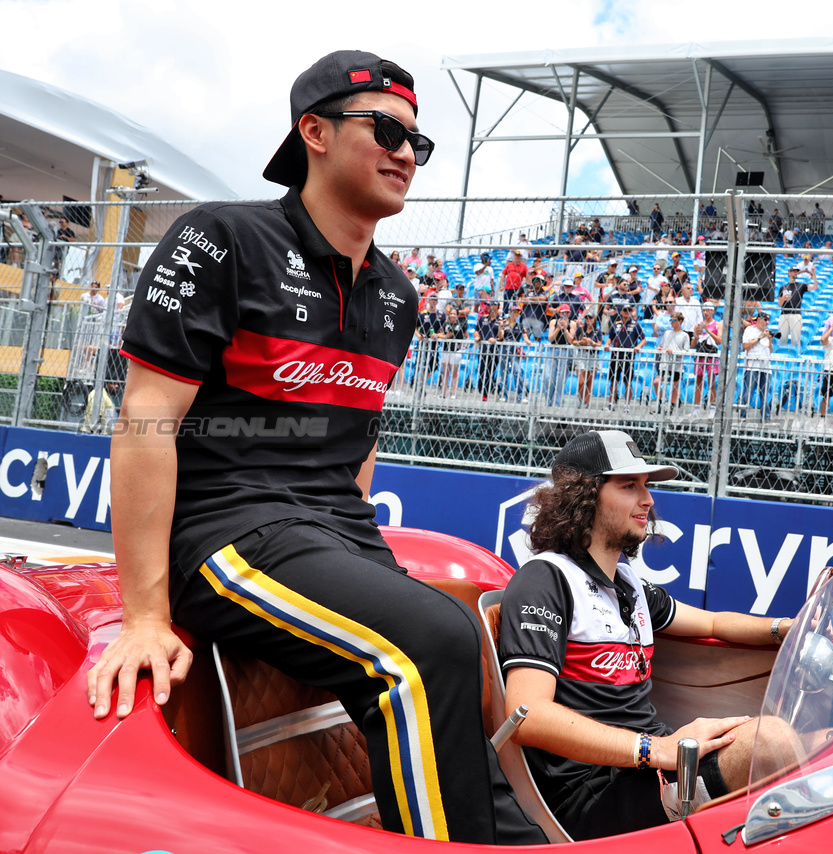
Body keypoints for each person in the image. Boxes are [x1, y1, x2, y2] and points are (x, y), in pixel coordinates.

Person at [85, 50, 544, 845]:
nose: (407, 153)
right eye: (388, 130)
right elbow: (145, 421)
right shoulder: (220, 238)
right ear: (315, 132)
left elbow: (359, 434)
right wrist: (145, 616)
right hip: (226, 529)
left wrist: (354, 547)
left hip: (329, 528)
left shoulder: (397, 294)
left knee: (463, 639)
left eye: (418, 143)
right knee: (428, 641)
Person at [500, 431, 798, 840]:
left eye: (646, 485)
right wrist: (654, 749)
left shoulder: (627, 583)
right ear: (582, 495)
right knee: (772, 742)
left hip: (650, 771)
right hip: (590, 795)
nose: (648, 500)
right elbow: (526, 714)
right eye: (629, 485)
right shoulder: (544, 580)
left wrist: (787, 628)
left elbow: (711, 623)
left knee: (822, 740)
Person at [608, 304, 645, 411]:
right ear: (621, 311)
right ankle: (611, 403)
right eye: (625, 310)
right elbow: (610, 337)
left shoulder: (635, 325)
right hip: (615, 356)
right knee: (614, 381)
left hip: (628, 357)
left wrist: (638, 346)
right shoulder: (616, 324)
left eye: (629, 310)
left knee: (627, 381)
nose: (627, 312)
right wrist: (607, 344)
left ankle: (627, 405)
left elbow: (643, 339)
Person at [741, 313, 773, 421]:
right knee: (748, 392)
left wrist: (769, 340)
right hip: (753, 366)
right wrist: (760, 337)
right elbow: (745, 345)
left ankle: (766, 417)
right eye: (765, 319)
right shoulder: (750, 330)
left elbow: (770, 351)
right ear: (759, 319)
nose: (767, 322)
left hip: (766, 367)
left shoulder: (767, 332)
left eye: (768, 320)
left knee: (764, 395)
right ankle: (743, 415)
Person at [655, 313, 689, 412]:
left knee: (675, 385)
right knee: (656, 382)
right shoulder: (667, 333)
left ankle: (672, 405)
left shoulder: (684, 335)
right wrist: (661, 348)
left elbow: (686, 351)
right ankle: (661, 401)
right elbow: (663, 345)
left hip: (676, 364)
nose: (671, 322)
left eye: (673, 320)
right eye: (670, 320)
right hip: (665, 363)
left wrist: (674, 352)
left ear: (680, 322)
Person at [692, 303, 721, 412]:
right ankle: (697, 408)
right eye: (704, 310)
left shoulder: (718, 324)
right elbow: (693, 345)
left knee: (711, 381)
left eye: (708, 310)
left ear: (712, 311)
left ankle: (713, 408)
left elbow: (719, 341)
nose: (705, 313)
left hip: (711, 356)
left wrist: (708, 331)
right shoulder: (698, 325)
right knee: (698, 381)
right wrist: (696, 335)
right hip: (700, 354)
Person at [545, 305, 575, 407]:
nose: (564, 315)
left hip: (566, 350)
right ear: (559, 313)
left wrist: (565, 329)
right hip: (554, 349)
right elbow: (550, 338)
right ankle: (548, 402)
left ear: (570, 313)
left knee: (561, 378)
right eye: (562, 312)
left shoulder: (572, 323)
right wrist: (558, 328)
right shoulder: (553, 322)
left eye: (567, 312)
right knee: (548, 377)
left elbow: (571, 340)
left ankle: (556, 403)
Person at [573, 311, 602, 409]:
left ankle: (586, 402)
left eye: (591, 318)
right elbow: (574, 341)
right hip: (582, 354)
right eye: (587, 318)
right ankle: (581, 400)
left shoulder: (597, 331)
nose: (589, 320)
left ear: (594, 320)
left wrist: (592, 343)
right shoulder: (580, 329)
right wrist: (581, 342)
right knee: (581, 381)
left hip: (592, 356)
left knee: (589, 381)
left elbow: (599, 344)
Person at [776, 269, 812, 347]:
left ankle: (796, 356)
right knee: (781, 338)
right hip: (784, 314)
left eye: (796, 271)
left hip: (795, 314)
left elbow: (815, 287)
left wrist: (813, 274)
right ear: (789, 273)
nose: (795, 273)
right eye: (794, 271)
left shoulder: (801, 286)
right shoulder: (783, 287)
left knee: (796, 339)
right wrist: (783, 298)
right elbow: (779, 304)